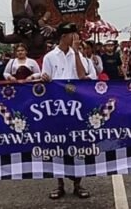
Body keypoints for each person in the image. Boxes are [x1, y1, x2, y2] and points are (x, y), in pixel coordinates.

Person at [41, 22, 96, 200]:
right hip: (57, 108)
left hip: (78, 108)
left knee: (78, 145)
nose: (76, 38)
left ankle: (78, 183)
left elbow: (83, 77)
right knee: (57, 145)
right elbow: (45, 81)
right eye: (73, 35)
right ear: (64, 36)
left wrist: (77, 53)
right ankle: (59, 184)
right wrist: (45, 78)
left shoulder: (82, 58)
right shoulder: (50, 57)